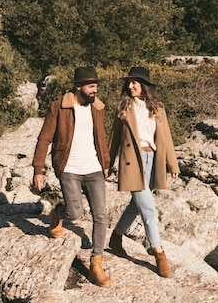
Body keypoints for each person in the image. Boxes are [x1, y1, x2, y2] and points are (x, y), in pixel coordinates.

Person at [32, 66, 112, 288]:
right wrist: (38, 169)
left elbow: (101, 137)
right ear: (78, 87)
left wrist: (105, 163)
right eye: (91, 86)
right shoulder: (59, 107)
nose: (95, 90)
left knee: (101, 215)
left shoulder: (97, 108)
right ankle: (57, 214)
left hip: (93, 168)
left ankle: (96, 262)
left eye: (96, 85)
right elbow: (44, 138)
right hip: (68, 167)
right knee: (75, 213)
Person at [108, 66, 180, 278]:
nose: (130, 86)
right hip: (132, 160)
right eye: (129, 83)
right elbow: (114, 137)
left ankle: (116, 236)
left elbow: (165, 136)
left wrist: (172, 164)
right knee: (148, 208)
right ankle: (159, 254)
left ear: (143, 85)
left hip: (152, 158)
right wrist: (107, 162)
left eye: (134, 82)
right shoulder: (124, 106)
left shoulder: (157, 107)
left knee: (136, 205)